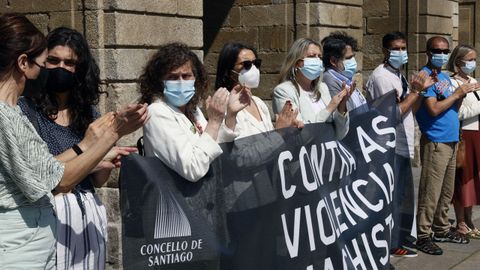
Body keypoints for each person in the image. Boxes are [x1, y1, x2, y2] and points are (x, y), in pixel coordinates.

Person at [0, 13, 147, 269]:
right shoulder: (13, 114)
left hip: (46, 235)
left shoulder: (14, 113)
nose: (53, 69)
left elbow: (48, 169)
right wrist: (112, 133)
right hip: (23, 242)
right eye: (47, 61)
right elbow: (60, 180)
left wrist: (92, 148)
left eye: (69, 63)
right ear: (24, 63)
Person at [140, 42, 250, 182]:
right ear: (160, 81)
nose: (180, 82)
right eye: (172, 77)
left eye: (186, 76)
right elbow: (193, 168)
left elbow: (214, 147)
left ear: (195, 78)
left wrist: (230, 115)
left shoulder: (192, 110)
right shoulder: (157, 112)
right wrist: (214, 121)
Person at [366, 31, 434, 258]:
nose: (401, 53)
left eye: (404, 48)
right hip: (388, 145)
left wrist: (419, 93)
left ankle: (401, 236)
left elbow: (409, 110)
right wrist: (416, 92)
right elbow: (392, 114)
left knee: (401, 195)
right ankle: (391, 242)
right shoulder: (382, 77)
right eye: (396, 48)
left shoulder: (398, 75)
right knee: (390, 197)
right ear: (385, 51)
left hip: (402, 142)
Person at [415, 36, 478, 255]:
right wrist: (459, 93)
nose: (441, 54)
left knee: (446, 191)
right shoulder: (424, 77)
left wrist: (464, 93)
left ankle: (441, 227)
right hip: (436, 140)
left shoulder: (442, 76)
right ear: (428, 52)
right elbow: (433, 109)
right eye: (436, 50)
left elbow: (453, 106)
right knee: (430, 192)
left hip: (452, 138)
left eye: (445, 50)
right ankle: (423, 234)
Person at [215, 41, 302, 139]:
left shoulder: (258, 103)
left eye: (256, 63)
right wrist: (279, 133)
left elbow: (270, 143)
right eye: (246, 64)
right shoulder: (223, 105)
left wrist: (287, 129)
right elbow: (240, 151)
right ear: (229, 71)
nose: (253, 68)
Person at [272, 38, 350, 139]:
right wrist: (329, 108)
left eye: (319, 57)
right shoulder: (284, 91)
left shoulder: (323, 88)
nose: (317, 60)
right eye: (312, 56)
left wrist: (341, 108)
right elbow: (300, 136)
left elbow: (340, 134)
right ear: (297, 63)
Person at [447, 44, 480, 239]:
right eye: (470, 59)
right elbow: (457, 113)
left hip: (476, 134)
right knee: (462, 180)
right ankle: (460, 221)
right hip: (463, 135)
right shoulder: (452, 83)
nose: (473, 63)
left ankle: (469, 219)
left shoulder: (473, 80)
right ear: (458, 61)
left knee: (473, 180)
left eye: (475, 59)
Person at [321, 31, 367, 112]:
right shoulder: (329, 81)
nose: (353, 61)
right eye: (348, 58)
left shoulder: (345, 78)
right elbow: (342, 114)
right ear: (333, 61)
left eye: (353, 57)